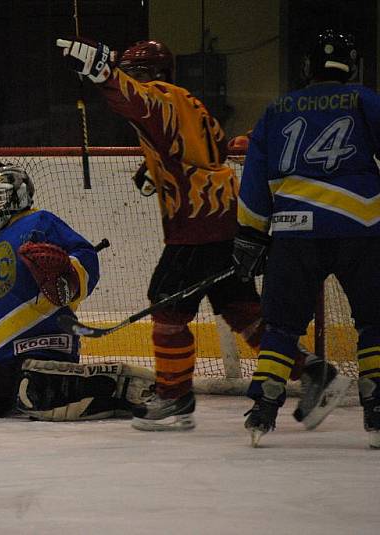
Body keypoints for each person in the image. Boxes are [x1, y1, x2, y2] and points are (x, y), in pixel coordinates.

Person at [56, 37, 346, 431]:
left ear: (153, 75)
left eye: (137, 73)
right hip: (226, 216)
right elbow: (212, 150)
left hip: (198, 222)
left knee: (167, 303)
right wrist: (156, 171)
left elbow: (137, 101)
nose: (134, 80)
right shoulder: (189, 100)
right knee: (243, 313)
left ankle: (174, 396)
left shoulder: (160, 96)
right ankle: (315, 372)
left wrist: (103, 72)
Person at [235, 30, 378, 448]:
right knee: (376, 321)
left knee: (280, 327)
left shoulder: (277, 108)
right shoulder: (364, 99)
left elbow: (255, 178)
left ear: (306, 68)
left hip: (295, 231)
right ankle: (378, 405)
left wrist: (250, 233)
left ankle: (263, 404)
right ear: (351, 67)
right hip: (362, 228)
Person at [0, 164, 153, 421]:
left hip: (43, 347)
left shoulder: (40, 221)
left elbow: (85, 256)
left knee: (40, 395)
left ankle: (119, 386)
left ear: (17, 196)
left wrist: (68, 279)